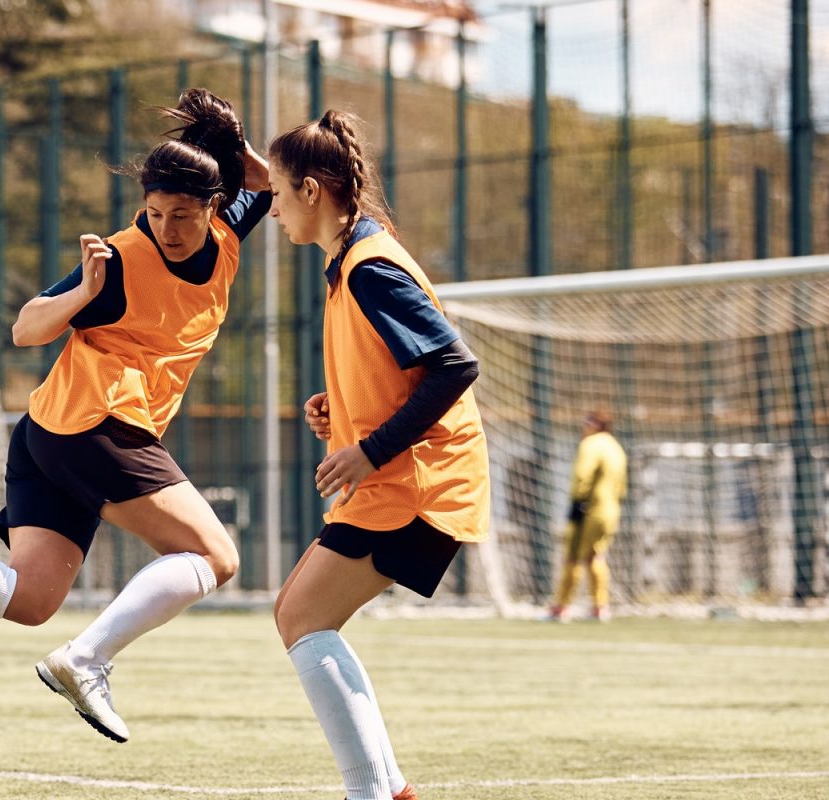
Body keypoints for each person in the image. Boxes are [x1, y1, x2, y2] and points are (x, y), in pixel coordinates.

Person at [0, 87, 270, 744]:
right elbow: (25, 328)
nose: (167, 229)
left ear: (214, 208)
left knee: (31, 600)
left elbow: (261, 183)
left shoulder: (228, 236)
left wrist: (231, 139)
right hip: (99, 423)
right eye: (154, 213)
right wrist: (83, 294)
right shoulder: (121, 259)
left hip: (48, 436)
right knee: (216, 556)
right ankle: (88, 660)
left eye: (182, 215)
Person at [265, 110, 488, 800]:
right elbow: (404, 373)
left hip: (421, 483)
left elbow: (455, 366)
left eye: (276, 192)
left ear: (310, 190)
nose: (271, 209)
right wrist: (343, 410)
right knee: (301, 615)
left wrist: (369, 449)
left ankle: (374, 795)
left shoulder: (369, 268)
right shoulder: (350, 260)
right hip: (403, 479)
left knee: (301, 616)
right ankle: (388, 791)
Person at [545, 410, 628, 623]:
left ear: (595, 425)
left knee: (572, 556)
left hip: (589, 509)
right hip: (611, 511)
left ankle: (561, 607)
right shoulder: (616, 447)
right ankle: (600, 608)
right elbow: (622, 485)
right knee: (595, 556)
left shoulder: (590, 444)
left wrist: (577, 501)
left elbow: (583, 474)